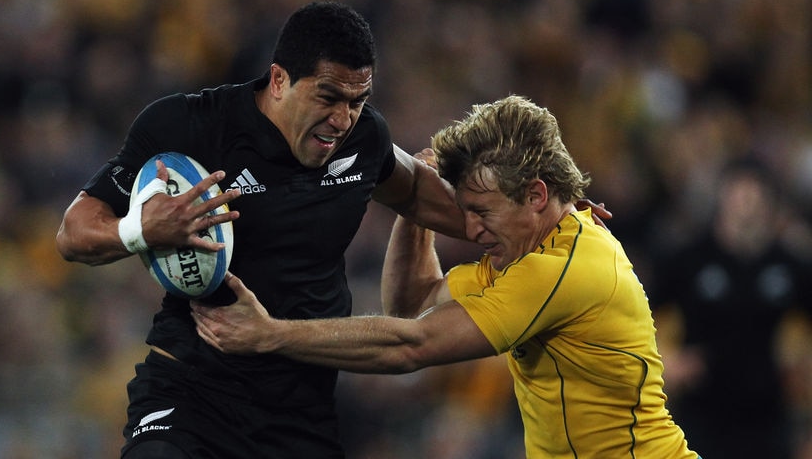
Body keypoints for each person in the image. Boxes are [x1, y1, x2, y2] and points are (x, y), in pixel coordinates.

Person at [56, 1, 472, 459]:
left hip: (301, 412)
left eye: (357, 101)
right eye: (328, 97)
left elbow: (429, 198)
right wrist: (139, 229)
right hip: (192, 396)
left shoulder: (365, 140)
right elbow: (74, 234)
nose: (343, 119)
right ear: (278, 80)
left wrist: (548, 225)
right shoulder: (190, 127)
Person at [192, 95, 700, 458]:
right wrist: (414, 211)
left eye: (483, 211)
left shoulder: (560, 270)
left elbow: (408, 345)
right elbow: (412, 306)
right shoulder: (528, 247)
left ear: (537, 196)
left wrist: (271, 334)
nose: (470, 228)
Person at [650, 158, 812, 459]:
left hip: (768, 415)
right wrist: (667, 360)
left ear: (770, 205)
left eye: (754, 197)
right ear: (723, 199)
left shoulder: (789, 264)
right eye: (739, 196)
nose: (746, 206)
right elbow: (639, 313)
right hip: (703, 413)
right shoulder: (689, 259)